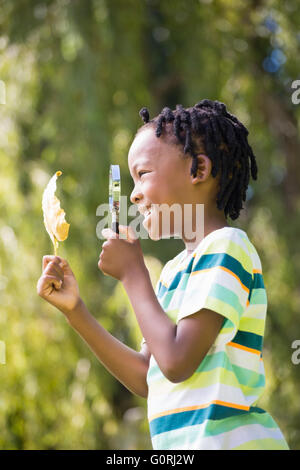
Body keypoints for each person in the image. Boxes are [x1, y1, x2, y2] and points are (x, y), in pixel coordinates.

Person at [37, 99, 289, 450]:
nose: (135, 195)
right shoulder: (172, 272)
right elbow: (148, 376)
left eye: (143, 175)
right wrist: (75, 311)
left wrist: (133, 274)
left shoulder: (228, 247)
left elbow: (176, 361)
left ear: (198, 169)